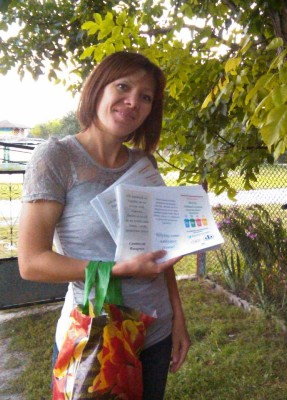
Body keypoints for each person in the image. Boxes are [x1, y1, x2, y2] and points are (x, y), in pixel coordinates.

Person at [18, 51, 190, 399]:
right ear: (97, 90)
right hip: (96, 334)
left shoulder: (144, 164)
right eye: (123, 87)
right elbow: (32, 263)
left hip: (155, 334)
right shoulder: (56, 158)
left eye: (145, 97)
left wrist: (178, 319)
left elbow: (160, 250)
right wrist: (119, 270)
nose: (133, 102)